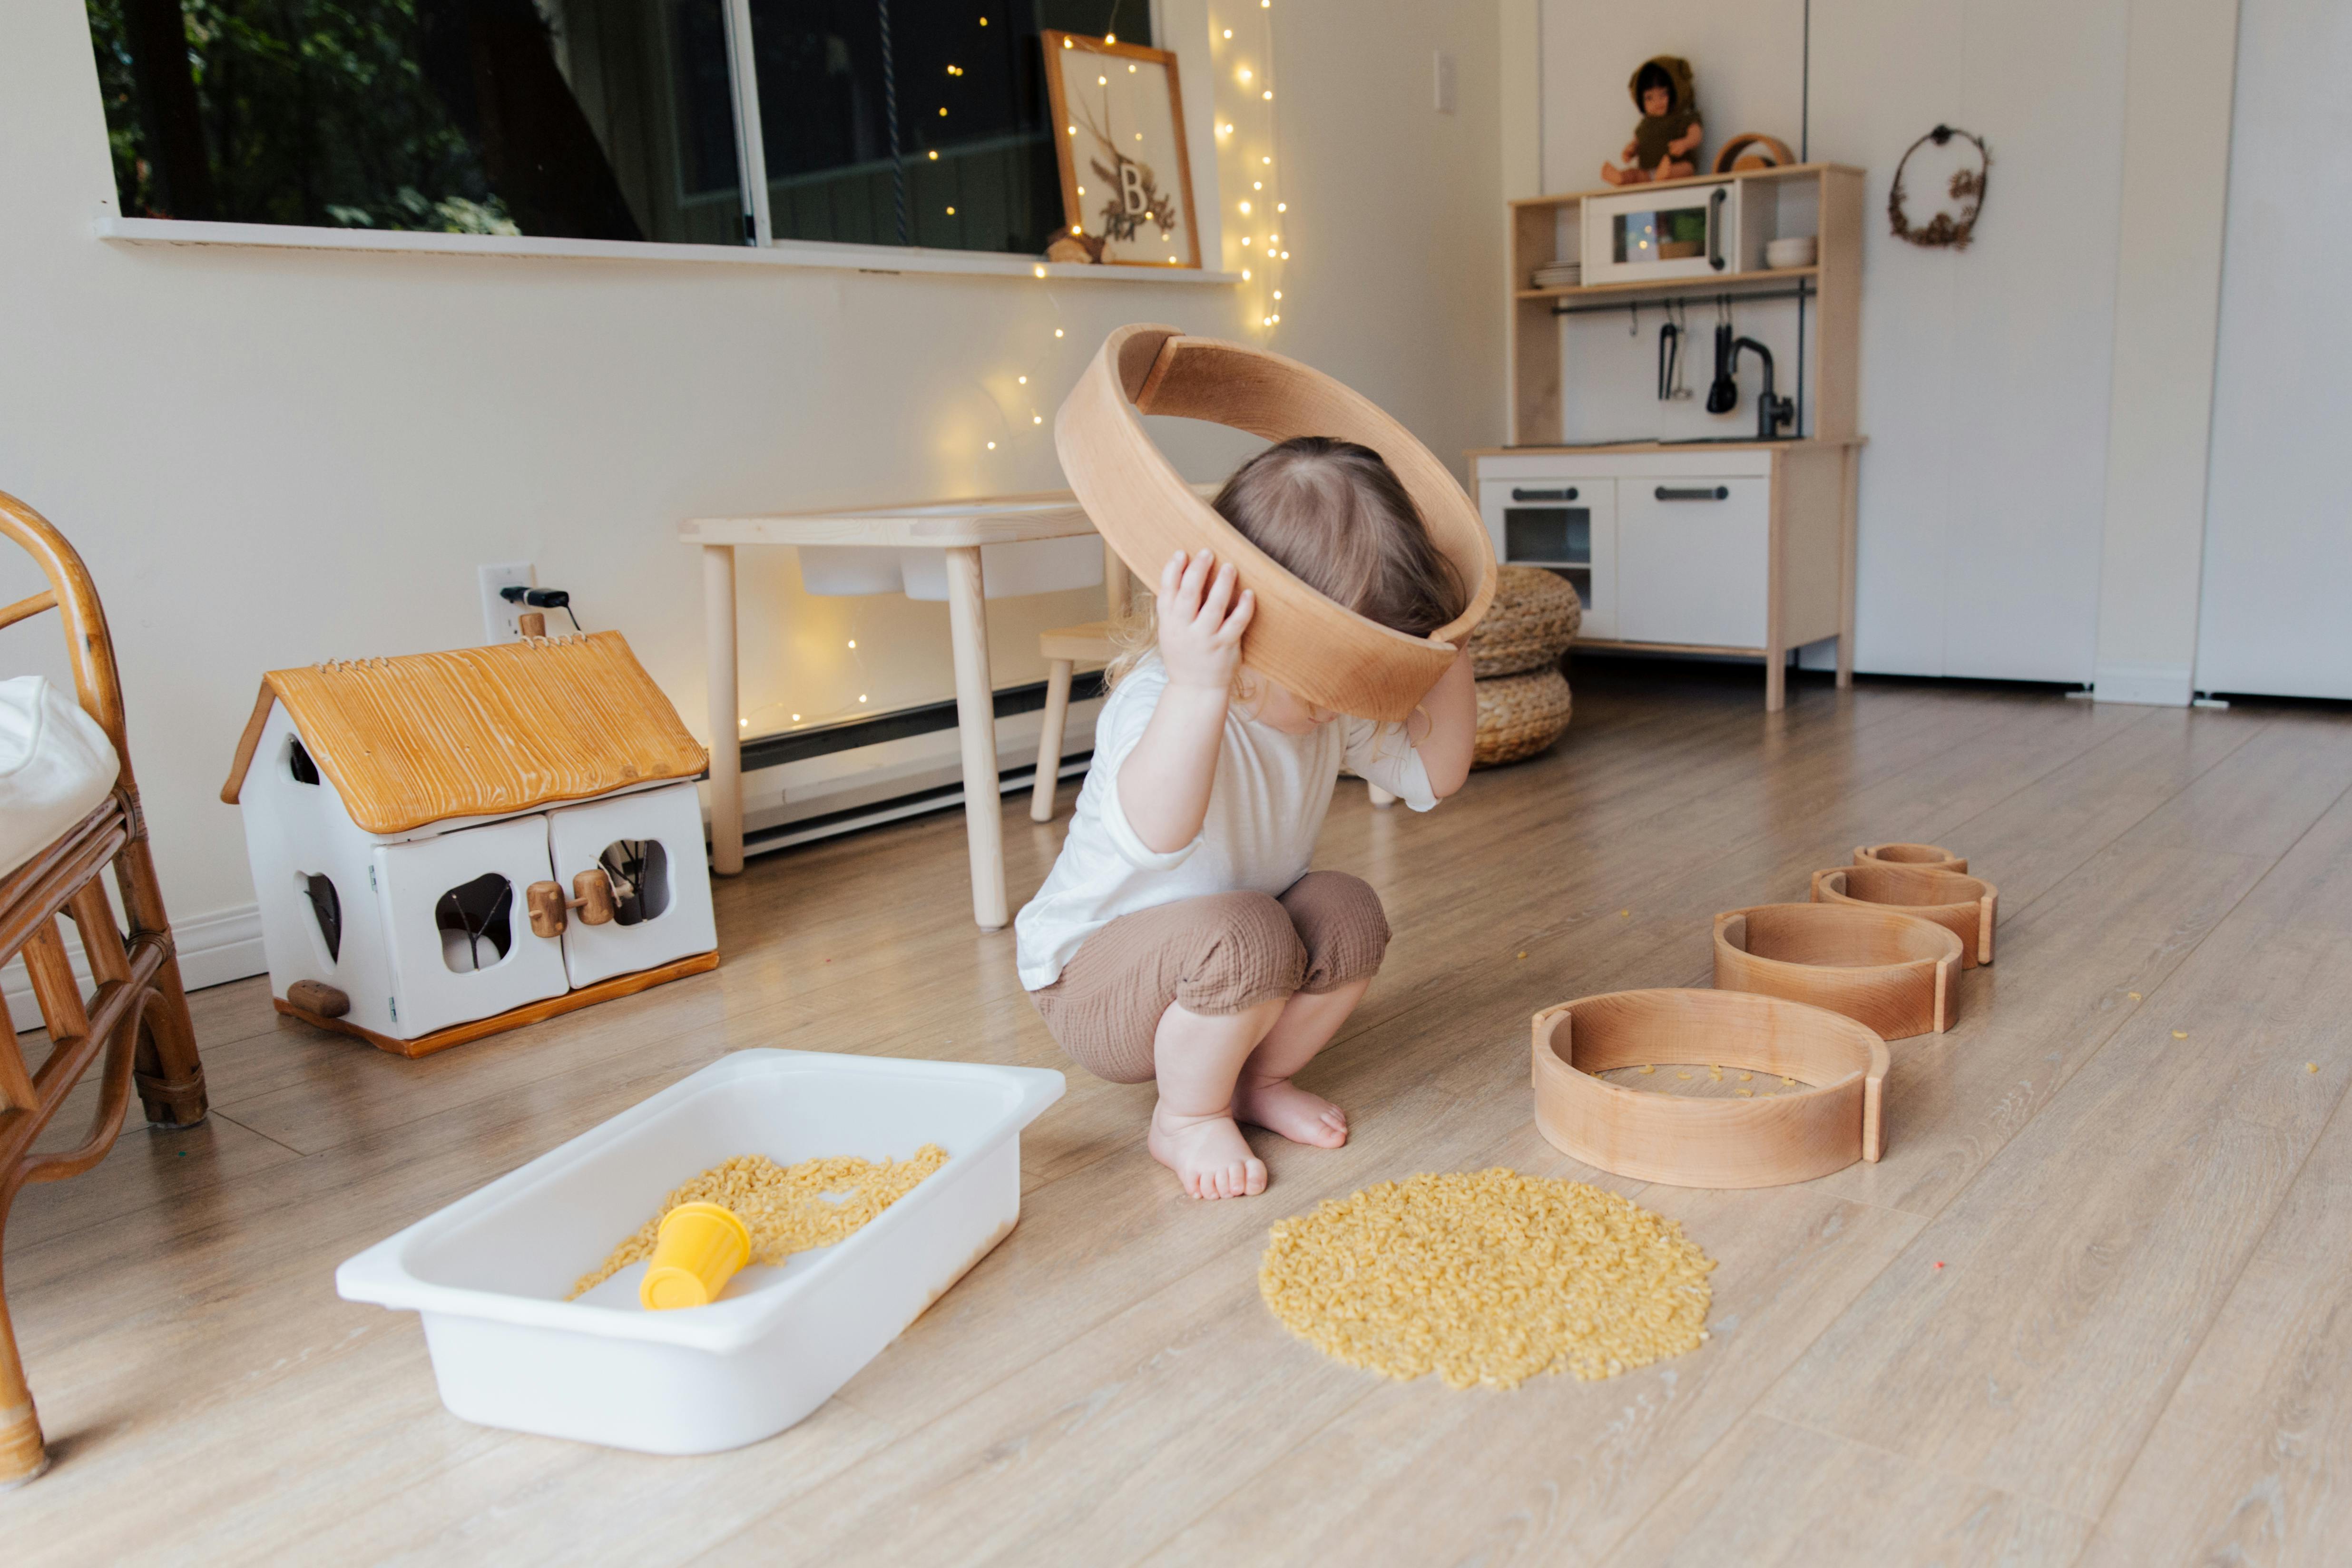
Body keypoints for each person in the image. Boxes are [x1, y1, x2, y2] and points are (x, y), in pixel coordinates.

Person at [1015, 437, 1476, 1200]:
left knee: (1349, 912)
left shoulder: (1320, 704)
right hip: (1093, 982)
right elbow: (1158, 834)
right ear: (1253, 627)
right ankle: (1187, 1116)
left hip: (1225, 957)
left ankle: (1254, 1081)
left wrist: (1448, 654)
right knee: (1250, 934)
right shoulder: (1163, 696)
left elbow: (1436, 773)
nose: (1341, 700)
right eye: (1329, 670)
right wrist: (1198, 688)